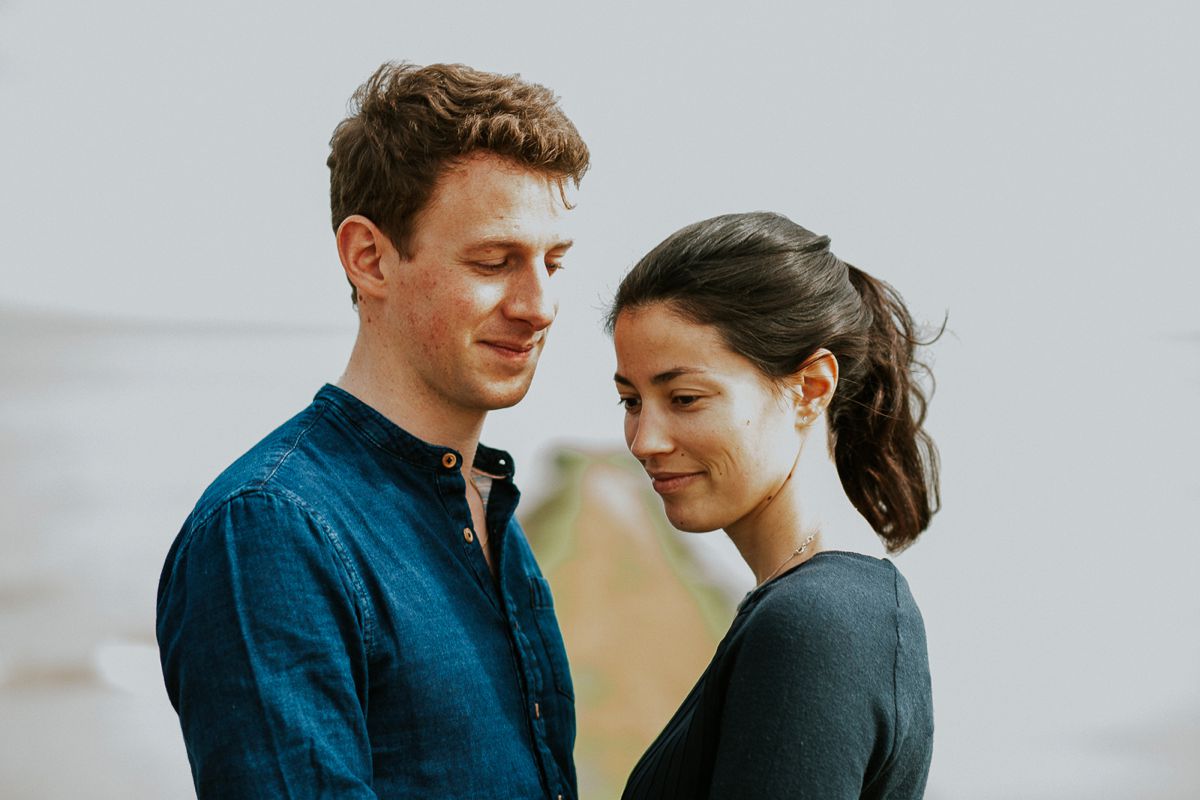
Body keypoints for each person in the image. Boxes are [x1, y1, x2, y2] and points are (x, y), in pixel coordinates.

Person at [156, 62, 588, 799]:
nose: (539, 304)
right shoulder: (269, 530)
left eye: (553, 262)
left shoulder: (490, 509)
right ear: (369, 257)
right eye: (494, 261)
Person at [609, 211, 939, 799]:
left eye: (684, 398)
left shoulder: (815, 625)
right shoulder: (825, 606)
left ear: (811, 388)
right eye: (631, 401)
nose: (644, 440)